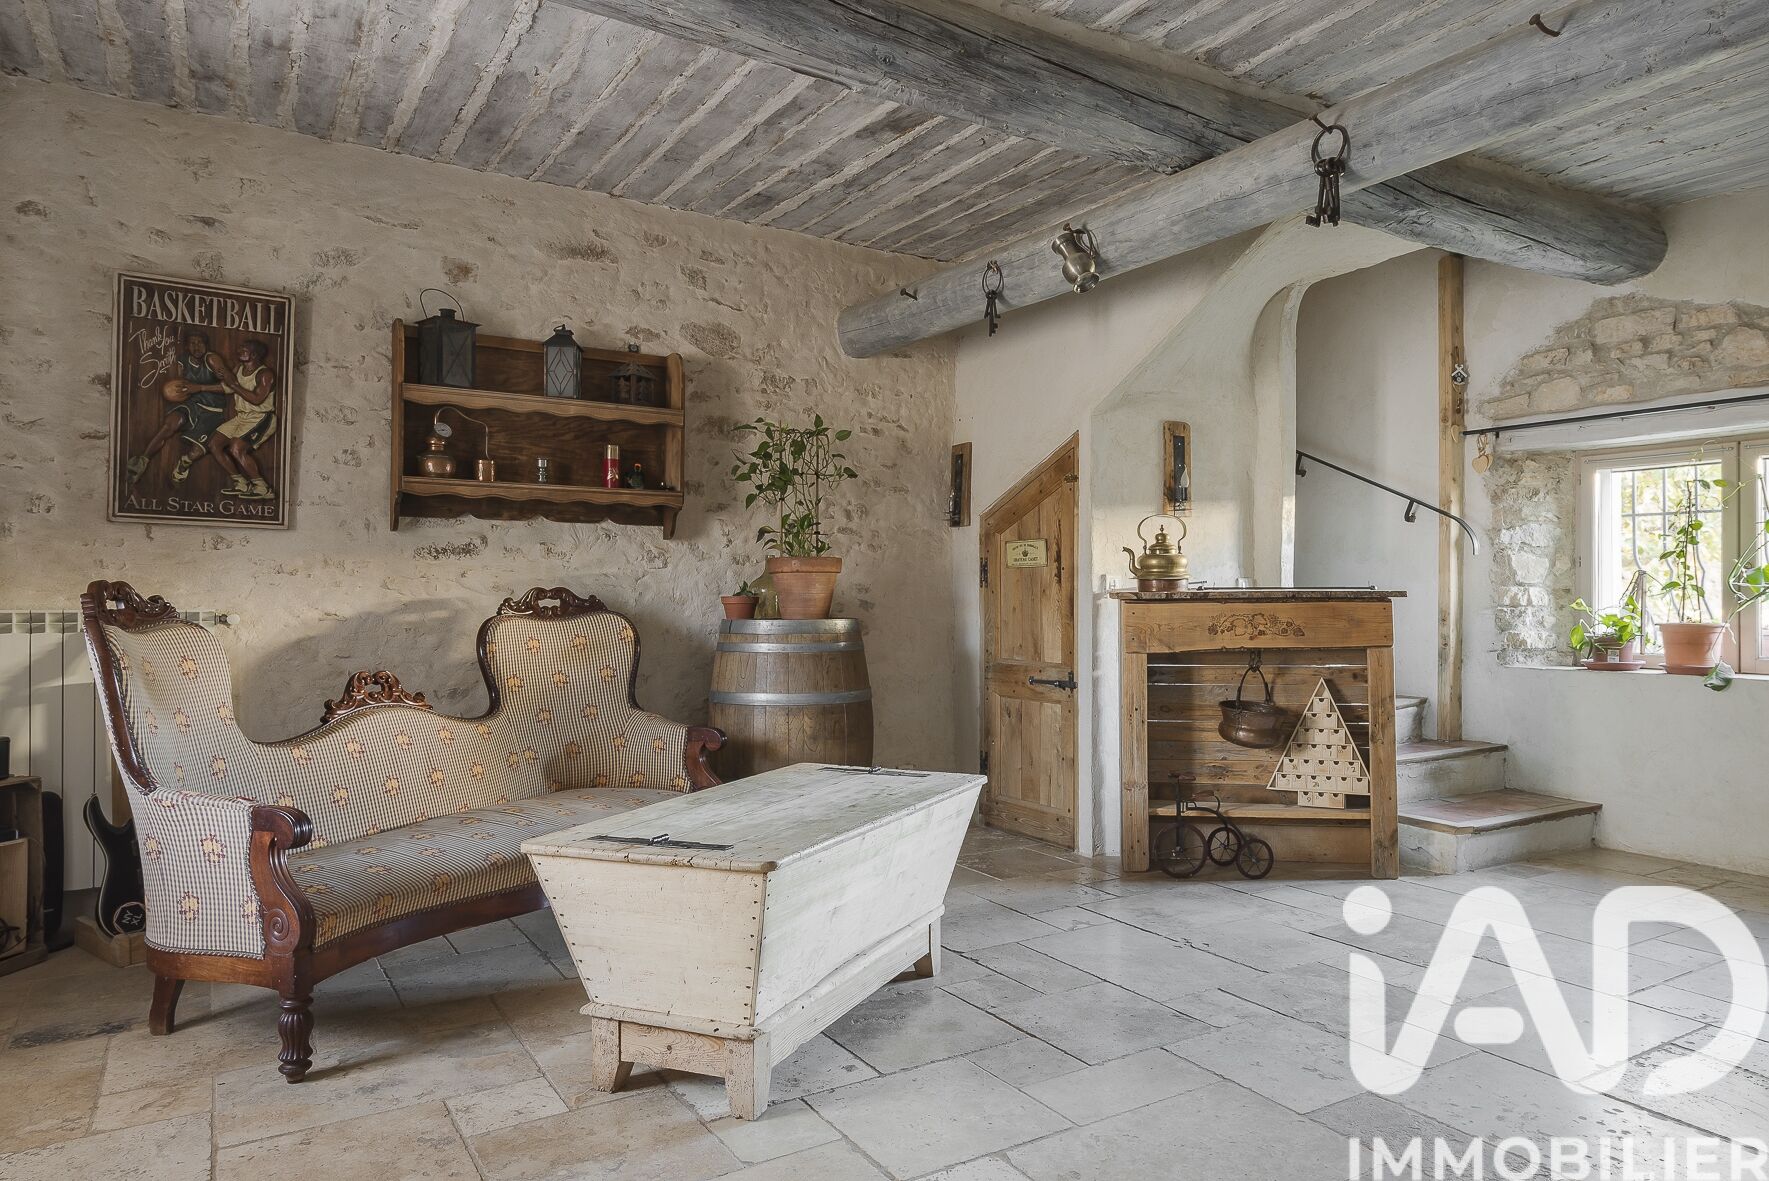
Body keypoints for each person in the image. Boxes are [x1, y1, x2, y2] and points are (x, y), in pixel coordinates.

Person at [126, 331, 232, 487]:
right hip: (192, 404)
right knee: (171, 424)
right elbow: (180, 384)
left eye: (200, 342)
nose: (196, 347)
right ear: (187, 346)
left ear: (206, 345)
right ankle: (142, 461)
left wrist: (200, 387)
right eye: (192, 343)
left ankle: (185, 462)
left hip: (212, 411)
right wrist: (176, 391)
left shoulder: (212, 359)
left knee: (196, 451)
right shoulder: (183, 360)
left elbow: (232, 386)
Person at [209, 339, 278, 500]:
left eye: (243, 350)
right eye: (240, 348)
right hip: (242, 416)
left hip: (261, 417)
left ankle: (262, 488)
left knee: (236, 448)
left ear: (254, 354)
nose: (239, 351)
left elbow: (257, 399)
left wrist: (233, 384)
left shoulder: (265, 374)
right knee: (214, 444)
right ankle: (241, 483)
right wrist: (199, 388)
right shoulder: (239, 368)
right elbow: (228, 388)